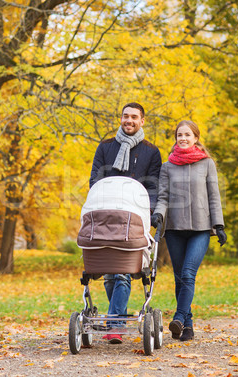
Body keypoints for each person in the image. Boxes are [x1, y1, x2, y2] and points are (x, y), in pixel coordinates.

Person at [89, 102, 162, 344]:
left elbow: (153, 187)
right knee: (111, 275)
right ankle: (116, 317)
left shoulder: (152, 152)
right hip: (107, 217)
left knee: (121, 273)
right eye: (125, 116)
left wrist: (148, 213)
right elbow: (95, 180)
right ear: (120, 118)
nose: (128, 120)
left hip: (133, 219)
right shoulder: (106, 146)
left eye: (134, 117)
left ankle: (115, 324)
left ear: (142, 121)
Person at [150, 120, 227, 342]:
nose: (182, 138)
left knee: (188, 274)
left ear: (196, 138)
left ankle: (179, 317)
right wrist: (159, 215)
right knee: (179, 279)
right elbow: (163, 197)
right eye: (179, 135)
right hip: (174, 228)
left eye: (187, 134)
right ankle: (187, 327)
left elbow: (214, 196)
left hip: (201, 229)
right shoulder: (167, 167)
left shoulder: (207, 164)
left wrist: (218, 225)